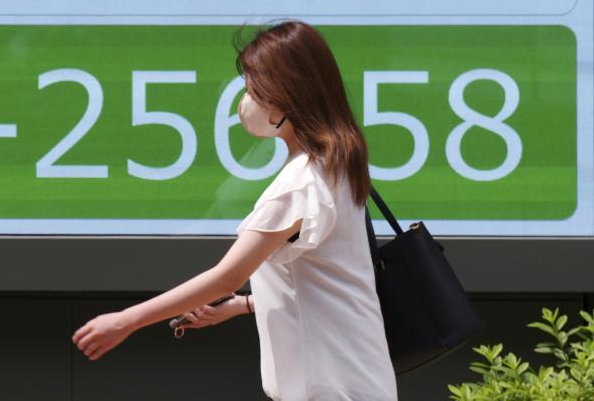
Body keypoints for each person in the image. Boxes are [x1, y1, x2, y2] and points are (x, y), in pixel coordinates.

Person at [72, 21, 397, 401]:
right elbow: (327, 278)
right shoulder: (337, 163)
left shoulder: (298, 184)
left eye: (253, 88)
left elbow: (227, 276)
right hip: (358, 382)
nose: (247, 100)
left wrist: (126, 321)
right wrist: (242, 306)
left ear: (285, 96)